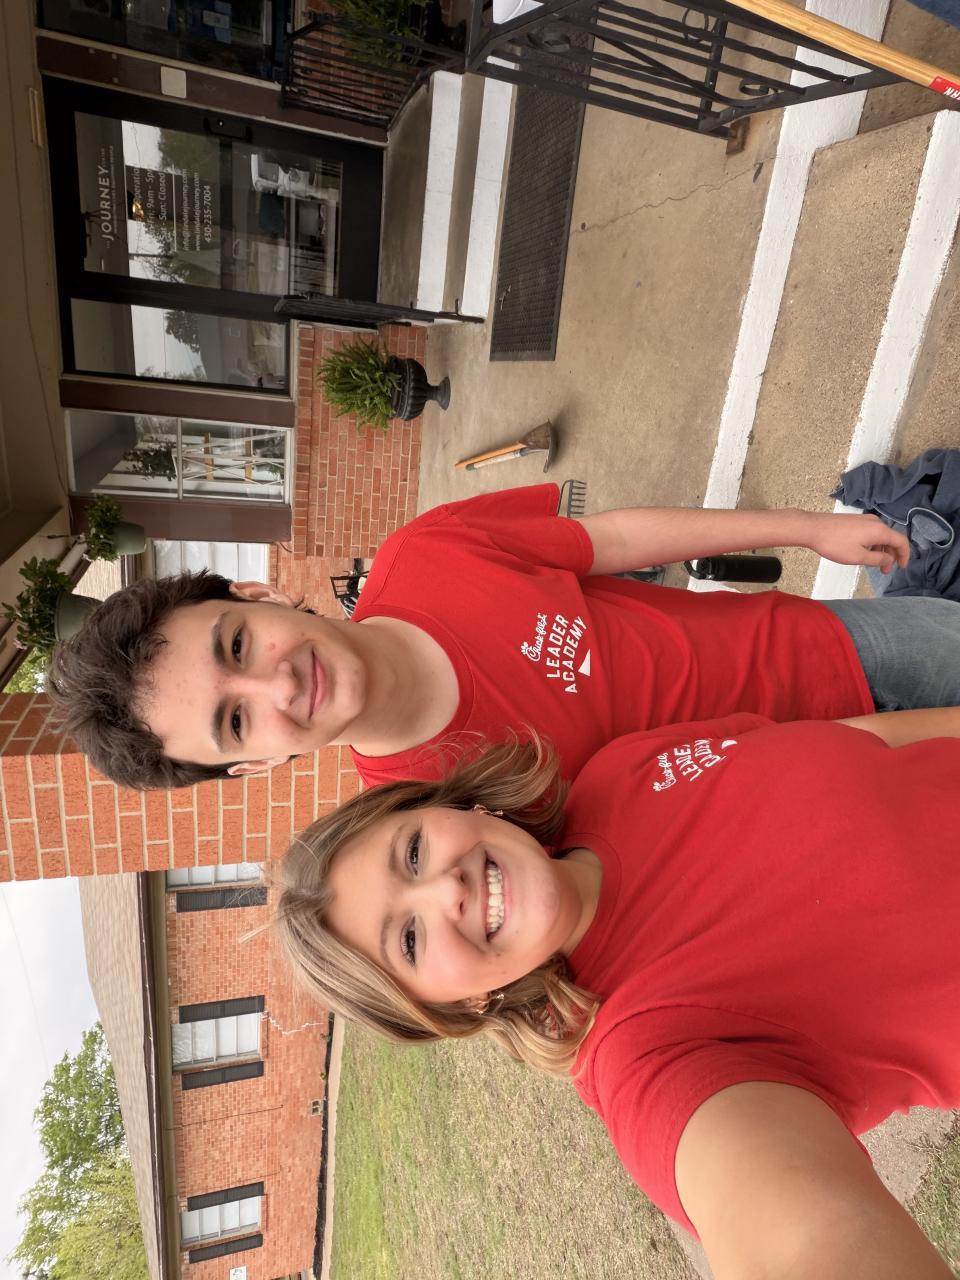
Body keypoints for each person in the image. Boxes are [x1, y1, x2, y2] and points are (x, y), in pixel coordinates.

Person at [274, 706, 960, 1279]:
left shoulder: (617, 772)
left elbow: (865, 739)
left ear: (449, 806)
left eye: (413, 853)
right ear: (454, 1007)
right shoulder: (645, 1058)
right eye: (409, 941)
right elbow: (801, 1232)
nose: (444, 891)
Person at [51, 483, 951, 792]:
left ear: (256, 595)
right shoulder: (431, 820)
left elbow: (615, 540)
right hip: (840, 789)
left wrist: (810, 528)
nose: (278, 687)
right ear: (252, 766)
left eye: (237, 647)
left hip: (842, 646)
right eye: (235, 722)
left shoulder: (426, 554)